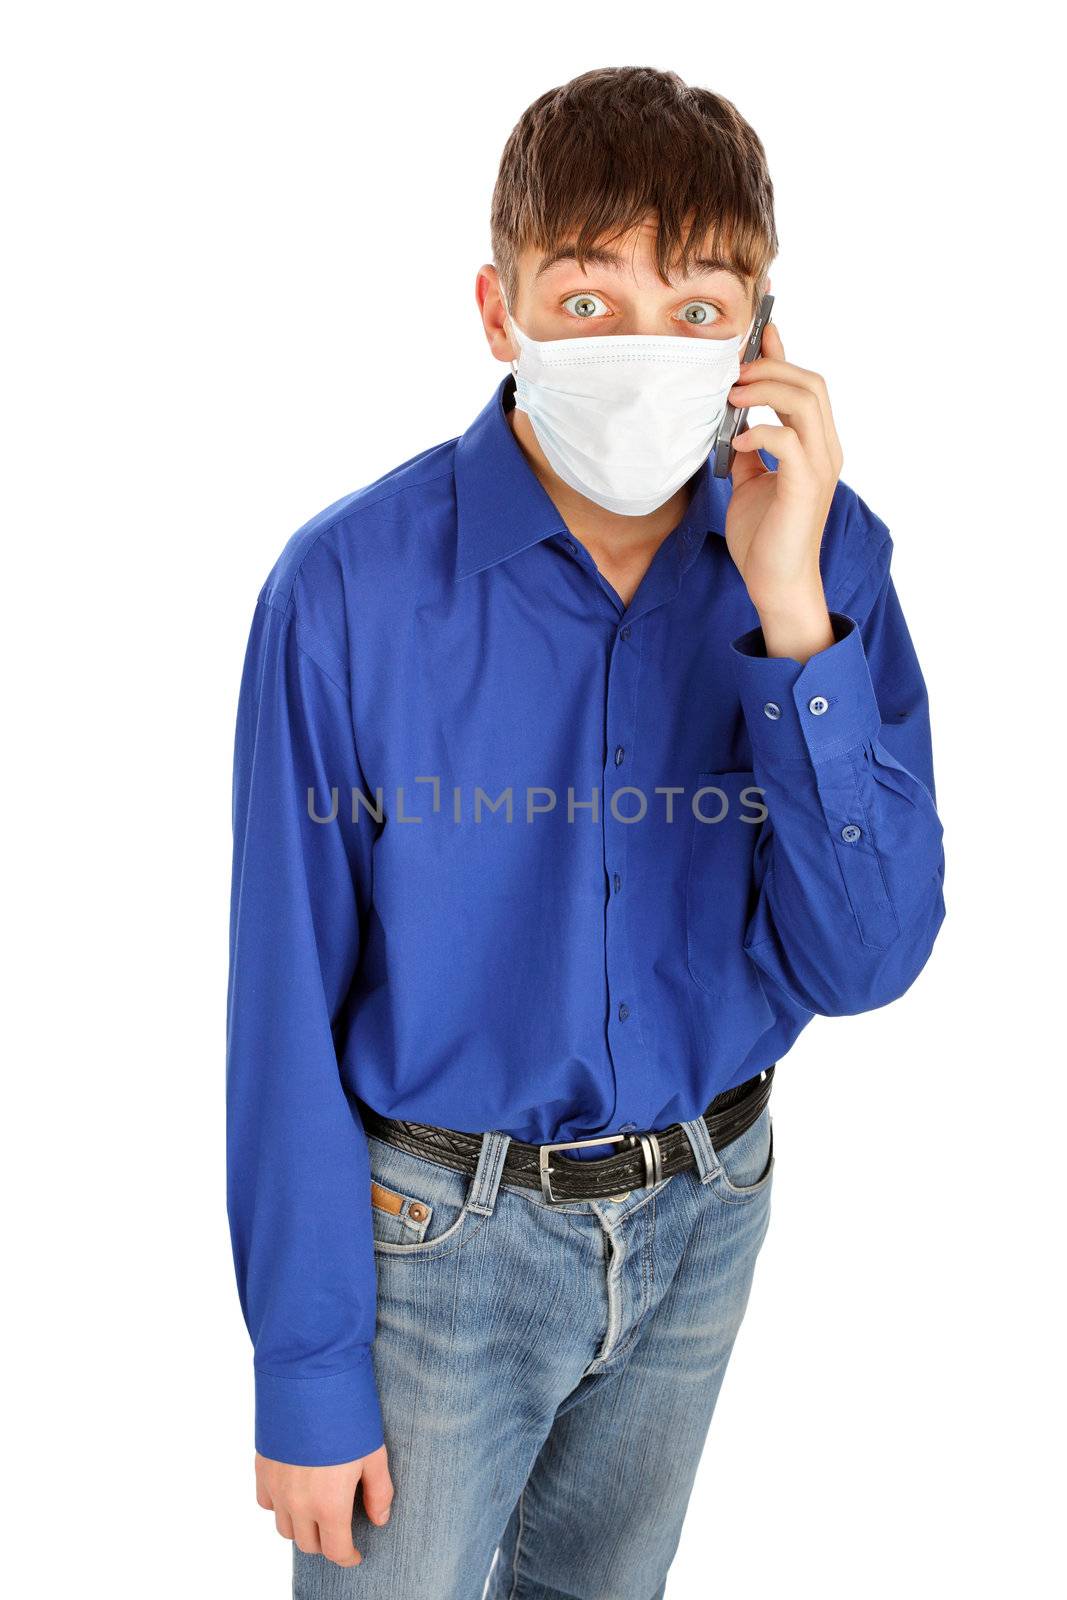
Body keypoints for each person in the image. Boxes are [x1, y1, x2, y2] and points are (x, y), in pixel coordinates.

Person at [226, 64, 946, 1600]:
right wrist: (305, 1366)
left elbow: (868, 961)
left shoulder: (828, 557)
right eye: (588, 296)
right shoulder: (346, 590)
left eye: (697, 311)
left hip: (707, 1212)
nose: (641, 350)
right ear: (501, 312)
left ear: (762, 337)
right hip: (434, 1247)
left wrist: (792, 614)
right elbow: (282, 993)